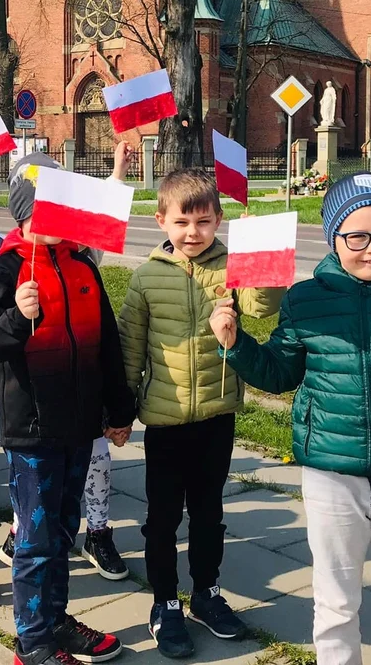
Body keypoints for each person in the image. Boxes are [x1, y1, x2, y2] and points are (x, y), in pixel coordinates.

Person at [209, 172, 371, 664]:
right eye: (357, 235)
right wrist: (235, 344)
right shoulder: (306, 300)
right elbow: (280, 371)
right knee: (335, 599)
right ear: (334, 237)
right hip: (330, 475)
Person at [0, 152, 136, 665]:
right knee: (37, 540)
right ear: (22, 214)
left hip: (80, 425)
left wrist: (119, 409)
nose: (52, 221)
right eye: (42, 211)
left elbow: (106, 343)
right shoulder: (5, 270)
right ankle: (33, 641)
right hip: (32, 429)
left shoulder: (82, 264)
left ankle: (55, 620)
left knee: (64, 529)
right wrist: (18, 319)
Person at [118, 167, 284, 657]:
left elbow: (261, 305)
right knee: (163, 518)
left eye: (205, 222)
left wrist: (260, 252)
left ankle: (206, 594)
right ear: (162, 221)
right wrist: (122, 408)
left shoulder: (231, 265)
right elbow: (131, 347)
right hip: (165, 422)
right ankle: (165, 603)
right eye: (183, 223)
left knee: (209, 514)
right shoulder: (146, 277)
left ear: (218, 221)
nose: (194, 233)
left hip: (216, 415)